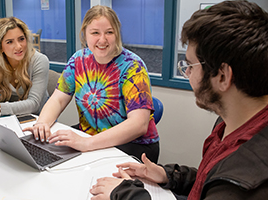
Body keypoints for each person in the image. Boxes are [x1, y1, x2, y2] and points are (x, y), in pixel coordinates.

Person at [89, 1, 268, 199]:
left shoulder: (245, 182)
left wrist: (124, 194)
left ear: (223, 76)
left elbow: (224, 185)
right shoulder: (232, 123)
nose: (187, 74)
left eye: (191, 65)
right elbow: (209, 180)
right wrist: (168, 175)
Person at [23, 5, 160, 162]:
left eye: (109, 32)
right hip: (90, 135)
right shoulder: (78, 60)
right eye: (95, 33)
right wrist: (42, 123)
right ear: (85, 34)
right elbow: (59, 99)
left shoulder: (133, 67)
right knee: (44, 150)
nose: (102, 39)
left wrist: (87, 143)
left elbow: (138, 124)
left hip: (134, 145)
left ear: (117, 34)